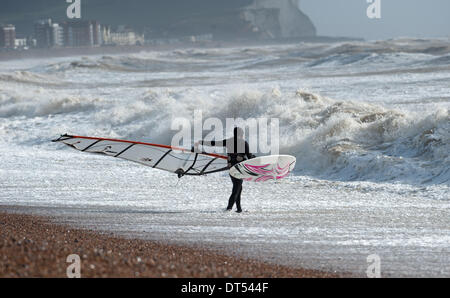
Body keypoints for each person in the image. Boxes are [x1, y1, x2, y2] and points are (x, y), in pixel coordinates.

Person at [195, 127, 255, 213]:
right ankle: (229, 208)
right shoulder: (244, 143)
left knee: (238, 187)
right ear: (241, 135)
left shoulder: (228, 141)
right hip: (239, 169)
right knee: (236, 188)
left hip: (231, 169)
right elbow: (249, 157)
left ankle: (239, 209)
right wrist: (255, 158)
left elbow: (214, 143)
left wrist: (201, 142)